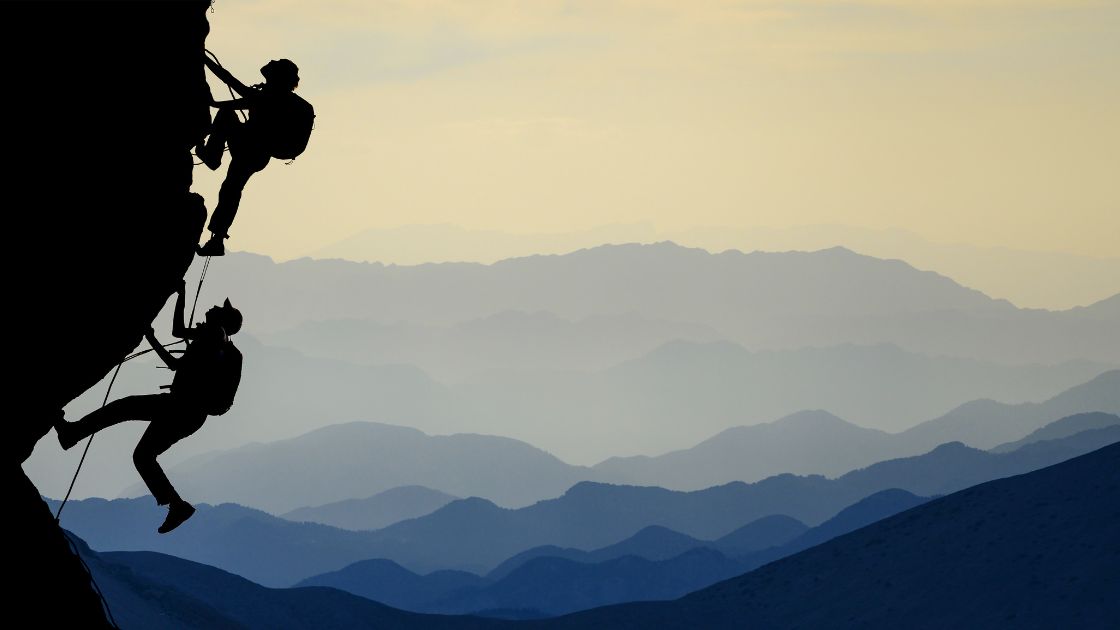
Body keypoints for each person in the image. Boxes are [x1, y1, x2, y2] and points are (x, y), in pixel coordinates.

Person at [55, 281, 243, 533]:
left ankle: (72, 434)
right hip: (190, 414)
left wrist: (173, 307)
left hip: (179, 407)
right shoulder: (222, 344)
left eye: (218, 308)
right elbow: (178, 339)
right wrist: (160, 327)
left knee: (124, 409)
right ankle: (176, 504)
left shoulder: (211, 335)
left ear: (223, 319)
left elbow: (176, 348)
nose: (212, 307)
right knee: (142, 454)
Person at [195, 56, 301, 256]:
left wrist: (202, 57)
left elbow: (228, 80)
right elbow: (233, 91)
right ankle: (217, 239)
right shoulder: (282, 100)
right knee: (231, 188)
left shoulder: (266, 97)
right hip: (259, 155)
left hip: (249, 148)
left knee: (231, 188)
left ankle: (212, 156)